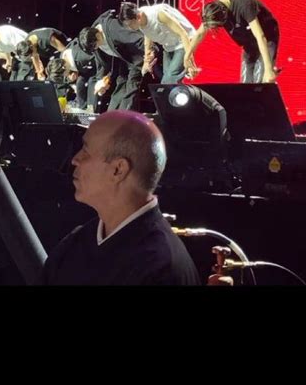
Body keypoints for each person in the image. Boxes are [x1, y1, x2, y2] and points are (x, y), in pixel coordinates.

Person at [41, 111, 200, 285]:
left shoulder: (161, 268)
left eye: (85, 150)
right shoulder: (77, 242)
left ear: (118, 170)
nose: (75, 160)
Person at [184, 0, 279, 84]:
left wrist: (268, 69)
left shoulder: (244, 5)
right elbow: (200, 34)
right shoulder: (214, 9)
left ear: (224, 14)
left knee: (263, 78)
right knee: (246, 82)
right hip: (248, 40)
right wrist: (187, 57)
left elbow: (260, 37)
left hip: (267, 36)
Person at [78, 10, 144, 111]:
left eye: (96, 45)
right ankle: (111, 115)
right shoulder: (92, 39)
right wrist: (102, 79)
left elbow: (138, 38)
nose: (97, 48)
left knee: (131, 87)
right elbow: (100, 61)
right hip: (123, 60)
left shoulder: (113, 29)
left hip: (135, 57)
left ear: (98, 35)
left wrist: (148, 55)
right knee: (120, 84)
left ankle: (124, 117)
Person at [118, 1, 198, 83]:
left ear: (138, 17)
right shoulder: (140, 20)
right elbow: (148, 34)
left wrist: (189, 59)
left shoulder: (158, 14)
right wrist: (147, 58)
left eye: (130, 24)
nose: (129, 27)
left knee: (169, 80)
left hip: (184, 42)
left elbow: (183, 33)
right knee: (168, 80)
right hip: (169, 46)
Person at [60, 38, 96, 109]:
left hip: (94, 67)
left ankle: (91, 109)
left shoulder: (81, 57)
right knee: (80, 83)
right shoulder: (62, 57)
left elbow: (97, 59)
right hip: (82, 70)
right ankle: (83, 108)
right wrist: (72, 75)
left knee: (92, 82)